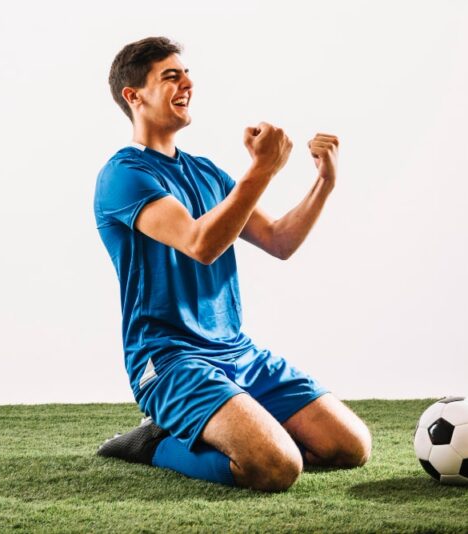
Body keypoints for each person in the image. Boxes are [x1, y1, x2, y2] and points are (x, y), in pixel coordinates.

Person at [93, 36, 371, 492]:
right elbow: (200, 243)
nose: (187, 84)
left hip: (238, 352)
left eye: (187, 74)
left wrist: (325, 182)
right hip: (170, 360)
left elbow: (279, 240)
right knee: (276, 468)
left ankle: (232, 428)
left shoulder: (205, 172)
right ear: (134, 95)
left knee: (351, 446)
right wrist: (262, 170)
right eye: (171, 76)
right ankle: (154, 442)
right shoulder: (124, 175)